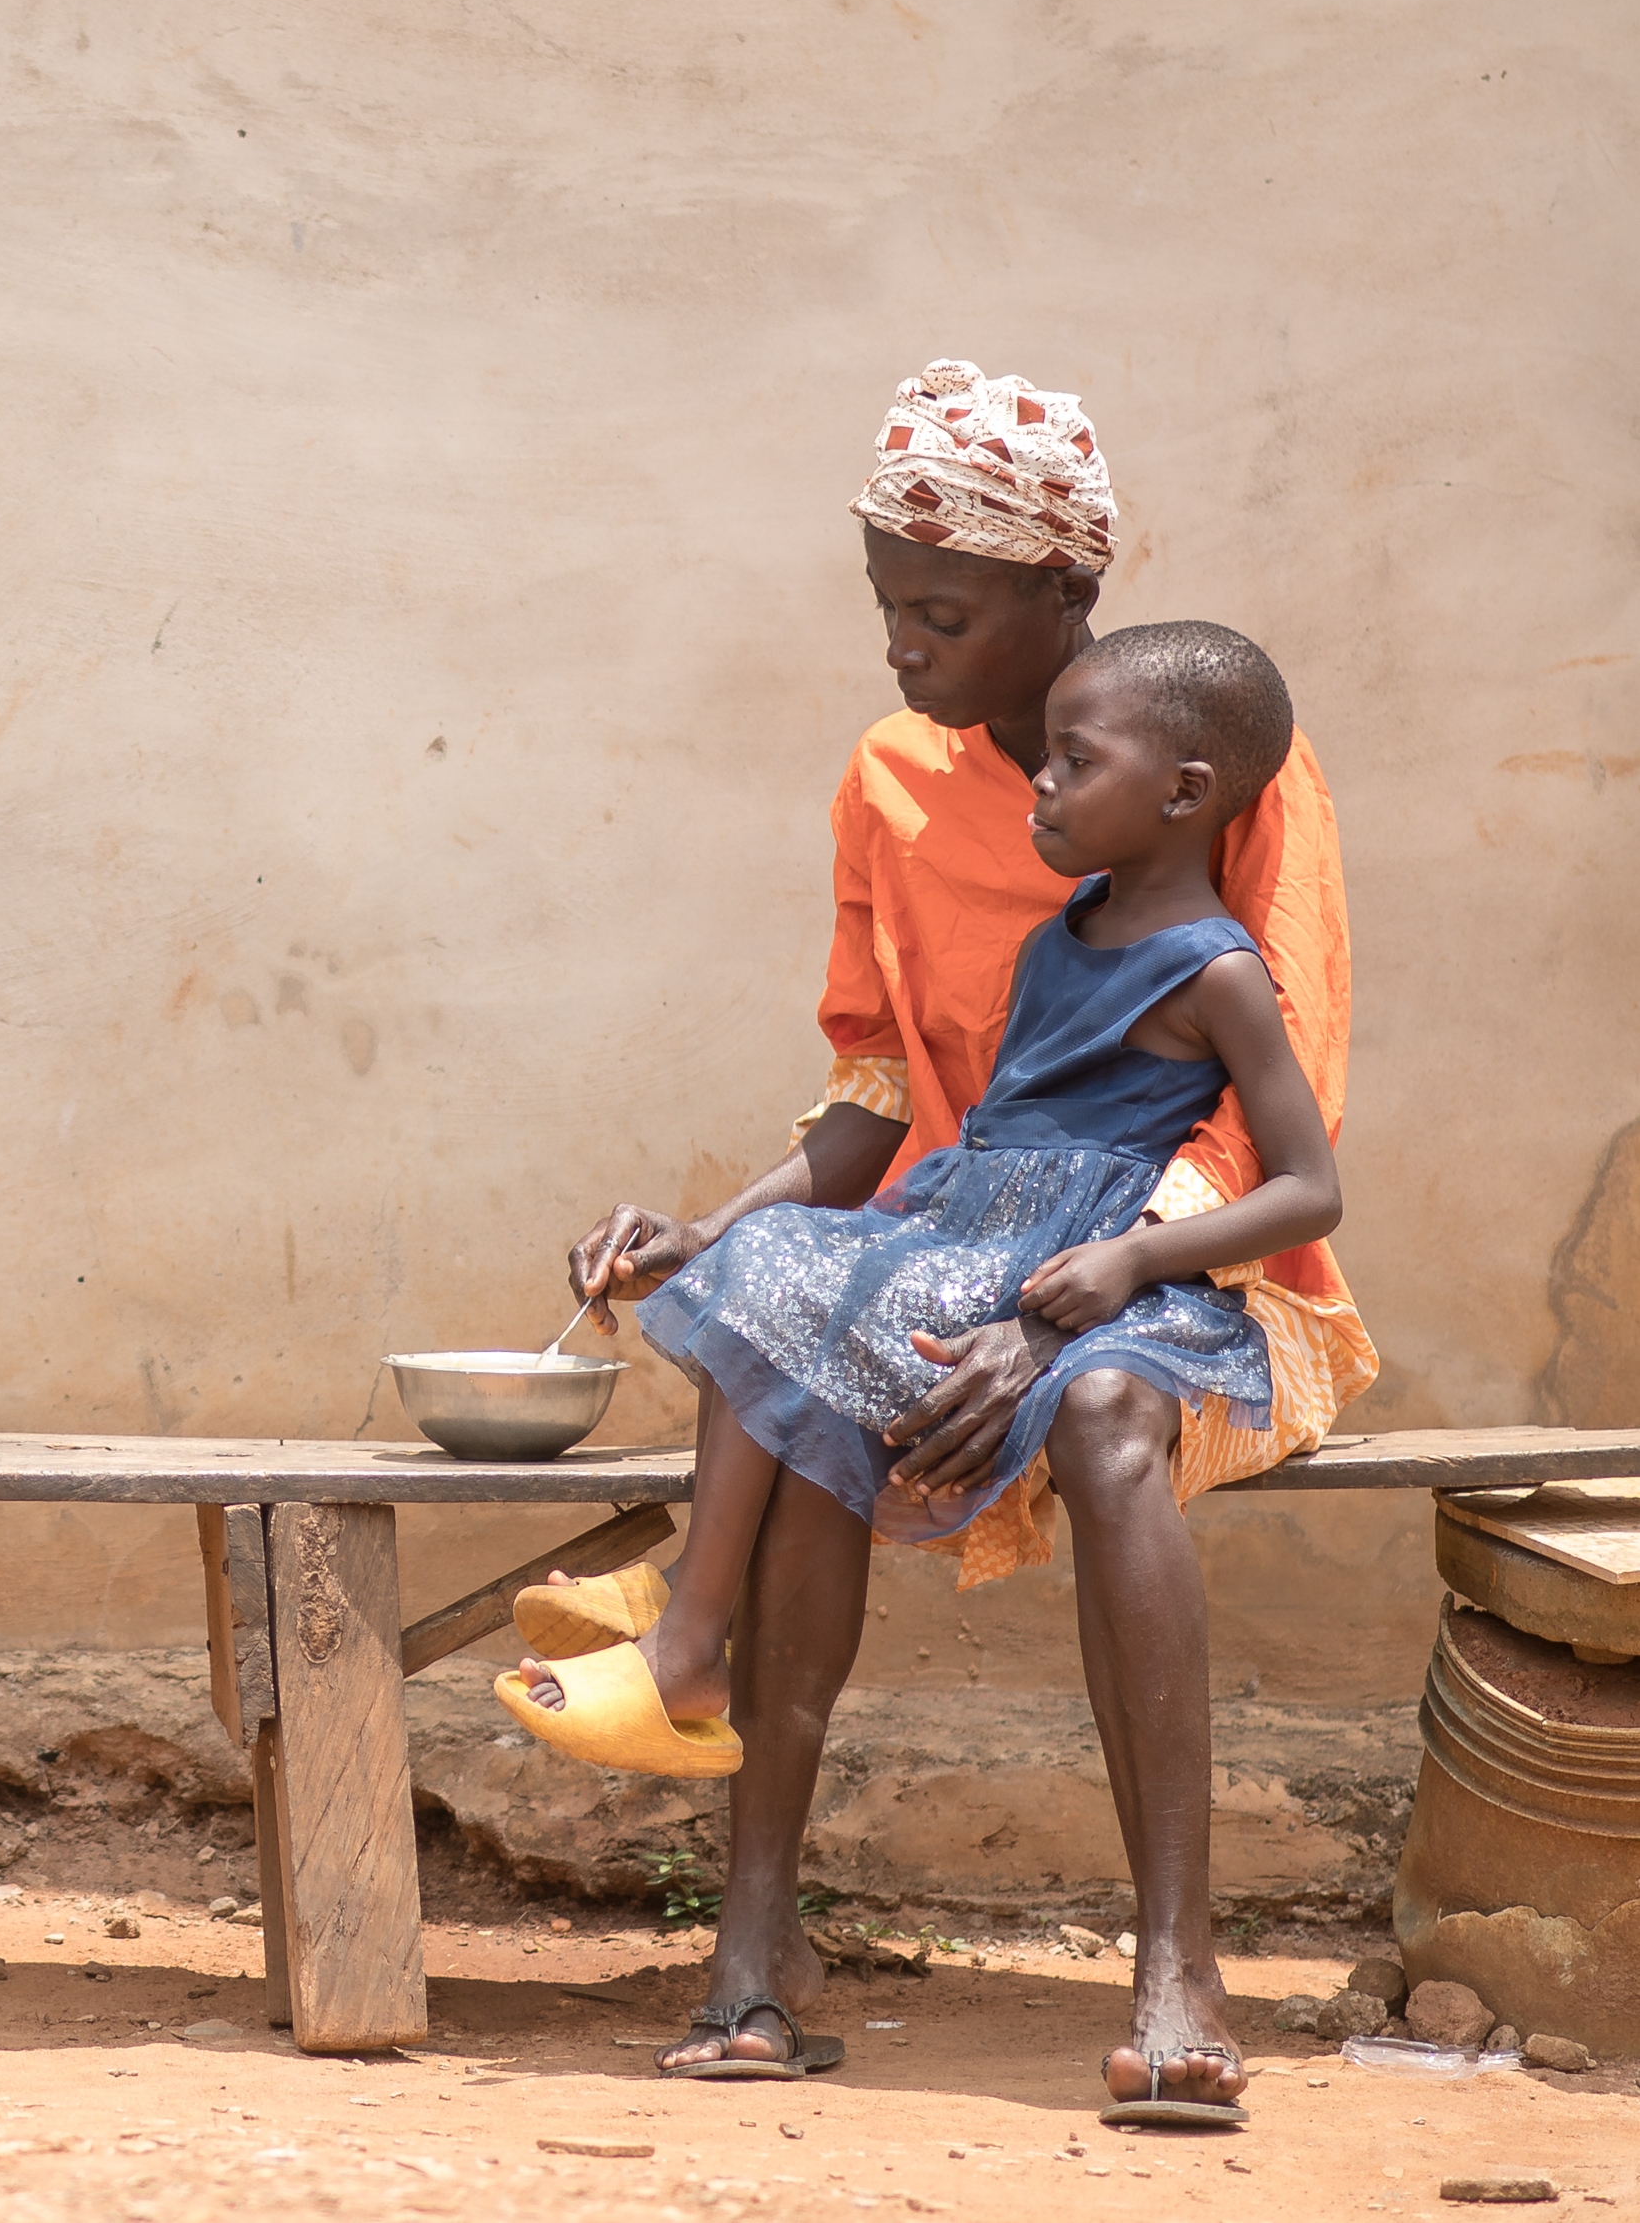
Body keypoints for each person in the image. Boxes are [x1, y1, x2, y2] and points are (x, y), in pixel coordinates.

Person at [558, 363, 1365, 2118]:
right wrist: (712, 1231)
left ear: (1063, 603)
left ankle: (1176, 1967)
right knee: (794, 1373)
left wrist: (1054, 1309)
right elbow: (870, 1095)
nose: (902, 651)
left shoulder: (1225, 779)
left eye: (941, 613)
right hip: (951, 1234)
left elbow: (1271, 1118)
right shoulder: (893, 782)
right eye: (887, 611)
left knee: (1097, 1416)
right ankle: (753, 1947)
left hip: (1187, 1263)